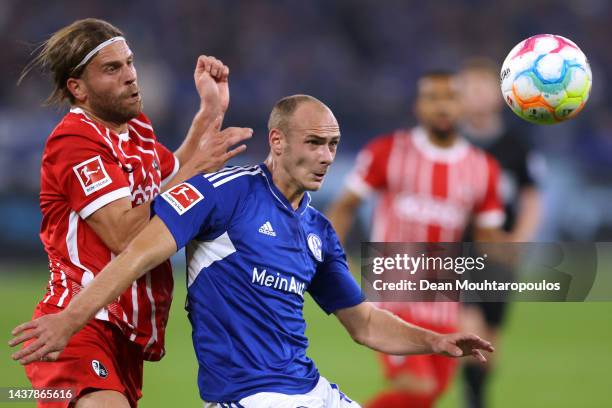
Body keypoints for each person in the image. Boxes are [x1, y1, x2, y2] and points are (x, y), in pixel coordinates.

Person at [10, 94, 494, 408]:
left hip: (310, 390)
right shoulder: (222, 193)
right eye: (314, 142)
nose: (326, 156)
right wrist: (69, 320)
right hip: (248, 397)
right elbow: (136, 255)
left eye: (333, 145)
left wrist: (435, 341)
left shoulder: (318, 231)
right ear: (278, 141)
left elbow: (364, 323)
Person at [13, 18, 252, 408]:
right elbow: (124, 234)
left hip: (124, 333)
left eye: (129, 62)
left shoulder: (135, 128)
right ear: (78, 88)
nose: (130, 76)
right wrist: (195, 170)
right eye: (112, 68)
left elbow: (172, 174)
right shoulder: (75, 141)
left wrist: (210, 110)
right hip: (79, 323)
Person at [326, 71, 505, 408]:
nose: (441, 106)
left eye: (449, 97)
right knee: (416, 387)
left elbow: (488, 241)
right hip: (394, 296)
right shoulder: (389, 152)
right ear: (418, 106)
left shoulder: (483, 168)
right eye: (432, 98)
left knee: (428, 395)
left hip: (444, 300)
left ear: (461, 106)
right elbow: (345, 206)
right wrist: (335, 261)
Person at [458, 57, 541, 408]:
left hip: (498, 253)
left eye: (482, 89)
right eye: (469, 90)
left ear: (500, 95)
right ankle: (473, 399)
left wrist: (519, 239)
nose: (476, 97)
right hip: (456, 251)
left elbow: (532, 196)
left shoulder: (516, 146)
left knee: (492, 336)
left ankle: (478, 392)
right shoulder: (449, 143)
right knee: (470, 325)